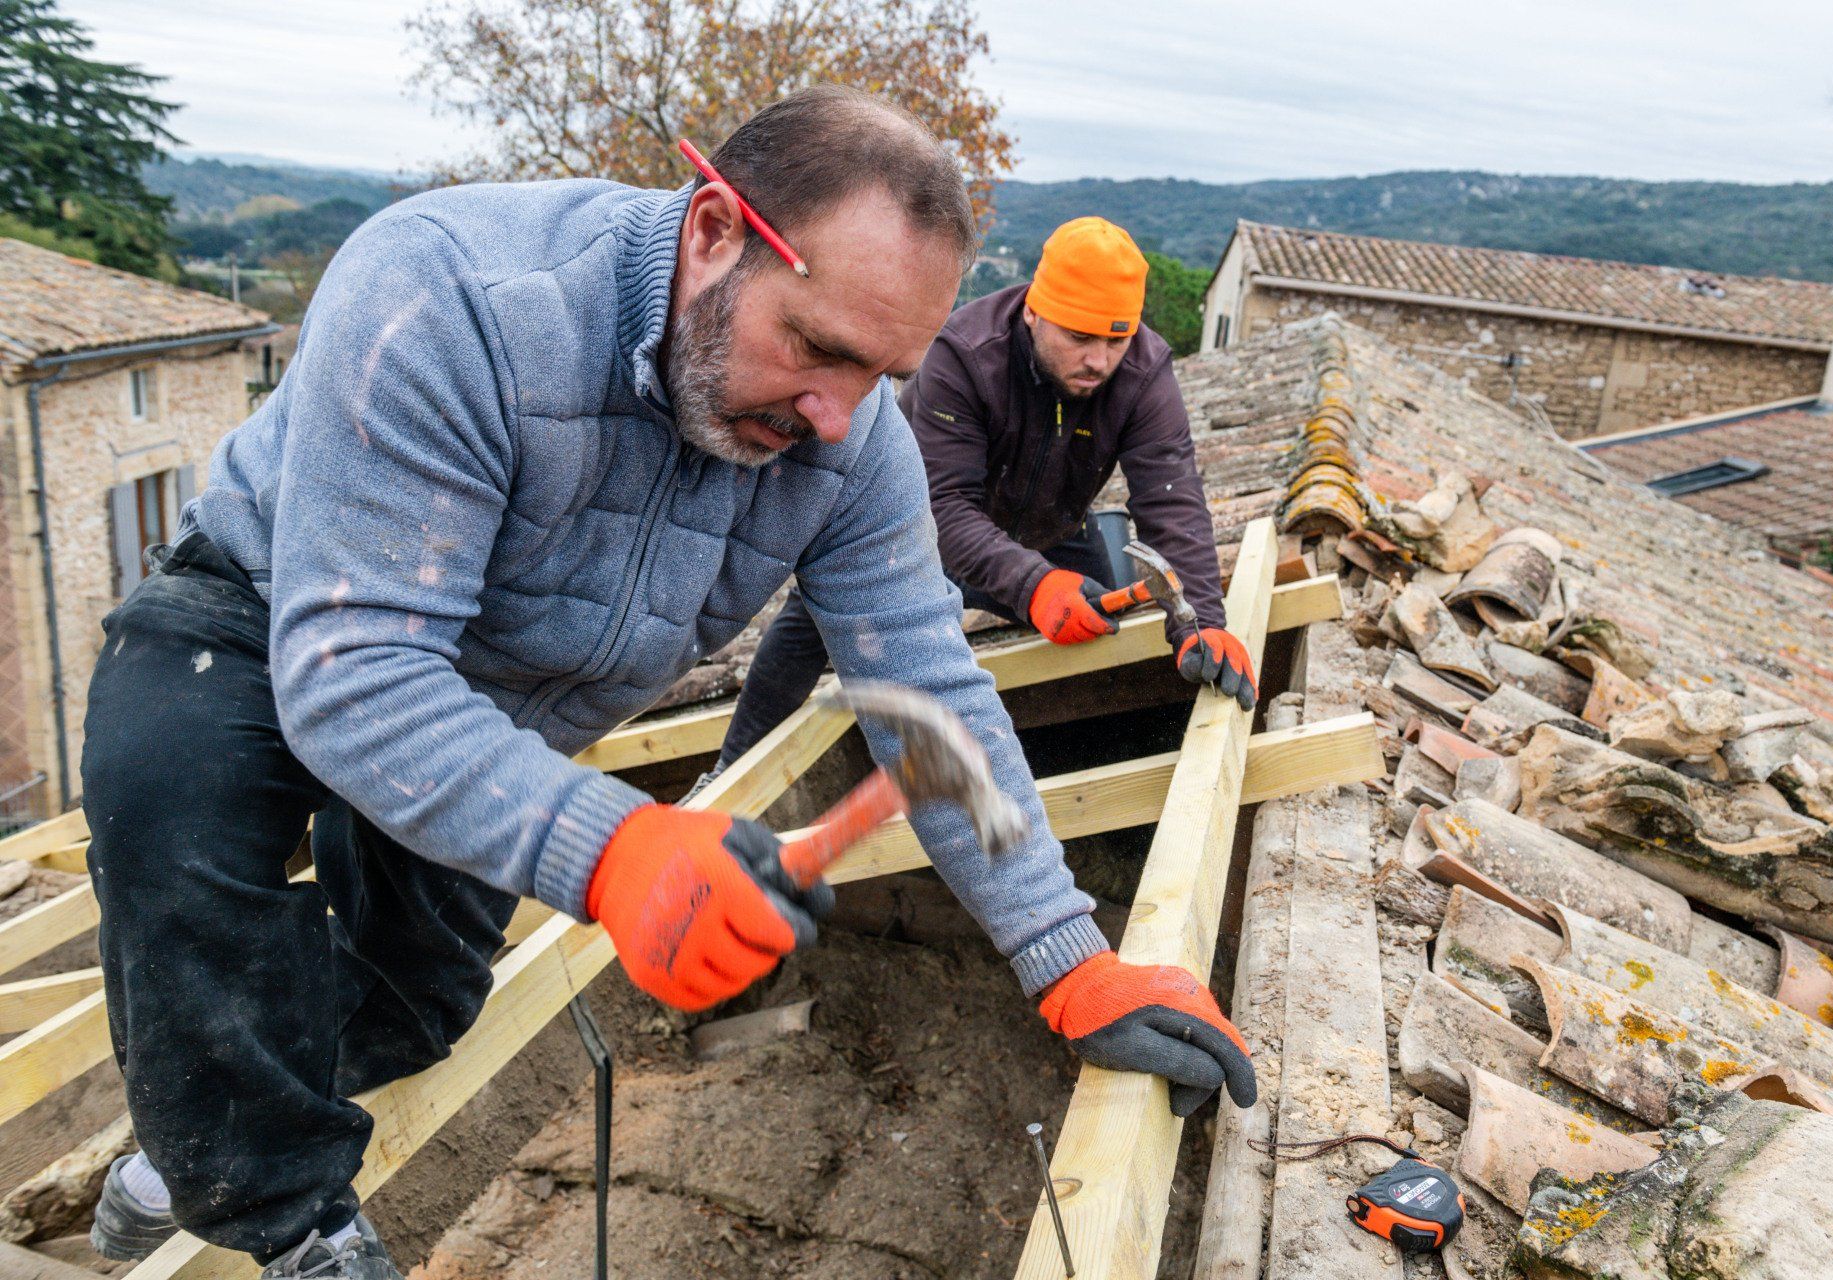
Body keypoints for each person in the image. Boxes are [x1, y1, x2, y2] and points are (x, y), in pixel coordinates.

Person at [78, 89, 1254, 1280]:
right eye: (818, 347)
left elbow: (925, 686)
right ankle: (289, 1217)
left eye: (882, 375)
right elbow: (357, 670)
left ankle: (180, 1144)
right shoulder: (453, 294)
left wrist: (1068, 954)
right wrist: (613, 846)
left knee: (418, 999)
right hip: (267, 609)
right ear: (713, 233)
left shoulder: (851, 443)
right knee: (170, 811)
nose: (838, 418)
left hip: (495, 707)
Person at [716, 215, 1255, 771]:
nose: (1099, 360)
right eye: (1079, 338)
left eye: (1116, 340)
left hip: (1051, 531)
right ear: (1033, 312)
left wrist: (1202, 624)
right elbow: (942, 507)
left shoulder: (1143, 374)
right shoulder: (966, 355)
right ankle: (731, 767)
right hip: (916, 527)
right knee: (815, 614)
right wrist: (1032, 585)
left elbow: (1172, 498)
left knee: (1099, 626)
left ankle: (1069, 768)